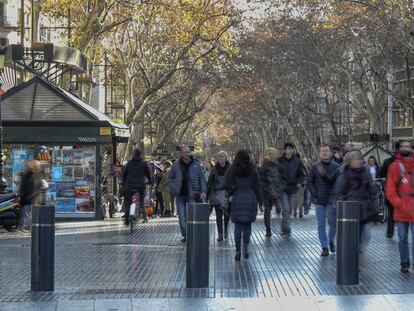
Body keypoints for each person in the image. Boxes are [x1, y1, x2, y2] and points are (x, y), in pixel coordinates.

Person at [330, 151, 378, 246]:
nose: (357, 162)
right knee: (351, 234)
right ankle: (352, 249)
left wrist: (375, 208)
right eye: (354, 160)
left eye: (358, 160)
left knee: (362, 232)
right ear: (349, 162)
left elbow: (372, 192)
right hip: (348, 210)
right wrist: (335, 207)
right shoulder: (343, 175)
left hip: (363, 208)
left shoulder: (366, 173)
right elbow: (336, 192)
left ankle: (357, 249)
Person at [225, 150, 262, 261]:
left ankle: (237, 250)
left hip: (237, 198)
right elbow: (257, 185)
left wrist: (230, 194)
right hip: (250, 198)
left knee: (238, 226)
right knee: (247, 225)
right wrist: (260, 201)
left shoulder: (232, 169)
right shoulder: (253, 168)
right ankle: (245, 247)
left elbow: (226, 184)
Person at [386, 140, 414, 273]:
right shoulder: (394, 166)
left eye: (407, 146)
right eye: (403, 146)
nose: (405, 148)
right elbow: (390, 190)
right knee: (402, 239)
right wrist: (400, 204)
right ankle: (404, 263)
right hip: (401, 209)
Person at [169, 145, 207, 242]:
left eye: (188, 152)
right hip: (180, 195)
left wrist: (204, 191)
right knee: (182, 217)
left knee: (193, 216)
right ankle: (186, 234)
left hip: (192, 195)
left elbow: (202, 178)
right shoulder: (176, 164)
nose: (187, 154)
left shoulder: (196, 164)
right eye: (185, 152)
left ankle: (192, 234)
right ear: (181, 153)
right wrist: (174, 187)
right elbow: (170, 178)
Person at [307, 145, 340, 256]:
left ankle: (331, 240)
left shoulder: (336, 166)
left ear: (331, 153)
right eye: (322, 151)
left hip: (332, 200)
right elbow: (309, 182)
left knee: (333, 224)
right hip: (319, 200)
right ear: (320, 153)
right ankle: (324, 247)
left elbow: (339, 182)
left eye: (326, 151)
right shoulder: (315, 167)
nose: (324, 153)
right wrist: (314, 193)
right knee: (321, 225)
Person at [278, 143, 305, 234]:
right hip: (283, 188)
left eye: (291, 149)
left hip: (293, 188)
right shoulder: (279, 161)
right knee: (286, 208)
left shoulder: (297, 161)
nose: (289, 150)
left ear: (293, 150)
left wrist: (299, 183)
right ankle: (287, 228)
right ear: (285, 150)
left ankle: (283, 226)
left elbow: (301, 174)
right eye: (287, 149)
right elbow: (276, 173)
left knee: (289, 209)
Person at [260, 147, 285, 237]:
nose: (271, 155)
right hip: (267, 192)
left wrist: (281, 187)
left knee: (279, 209)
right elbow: (261, 180)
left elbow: (282, 177)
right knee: (267, 211)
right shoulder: (264, 165)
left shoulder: (278, 165)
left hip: (276, 192)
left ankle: (283, 227)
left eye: (273, 154)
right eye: (269, 154)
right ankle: (268, 229)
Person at [122, 149, 152, 225]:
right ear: (140, 155)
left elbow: (124, 174)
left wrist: (124, 182)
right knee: (141, 202)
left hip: (130, 185)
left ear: (133, 155)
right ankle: (145, 218)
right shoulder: (144, 164)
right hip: (141, 185)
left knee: (128, 201)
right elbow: (148, 174)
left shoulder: (129, 163)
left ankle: (126, 220)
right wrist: (150, 182)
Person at [207, 151, 231, 241]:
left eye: (223, 156)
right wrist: (206, 194)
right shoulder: (214, 170)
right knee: (218, 216)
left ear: (226, 158)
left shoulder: (230, 168)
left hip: (227, 195)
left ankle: (225, 230)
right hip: (216, 195)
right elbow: (209, 183)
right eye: (220, 156)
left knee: (227, 215)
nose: (221, 158)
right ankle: (220, 233)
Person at [380, 142, 400, 238]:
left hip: (391, 192)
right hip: (394, 192)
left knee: (392, 213)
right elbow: (381, 175)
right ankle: (394, 232)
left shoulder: (387, 161)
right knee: (395, 213)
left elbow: (381, 175)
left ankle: (390, 232)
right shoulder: (388, 162)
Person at [18, 160, 42, 232]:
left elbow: (30, 188)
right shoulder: (29, 176)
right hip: (28, 198)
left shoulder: (28, 175)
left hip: (27, 198)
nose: (24, 167)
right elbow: (30, 188)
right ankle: (25, 227)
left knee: (26, 213)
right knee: (26, 213)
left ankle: (25, 227)